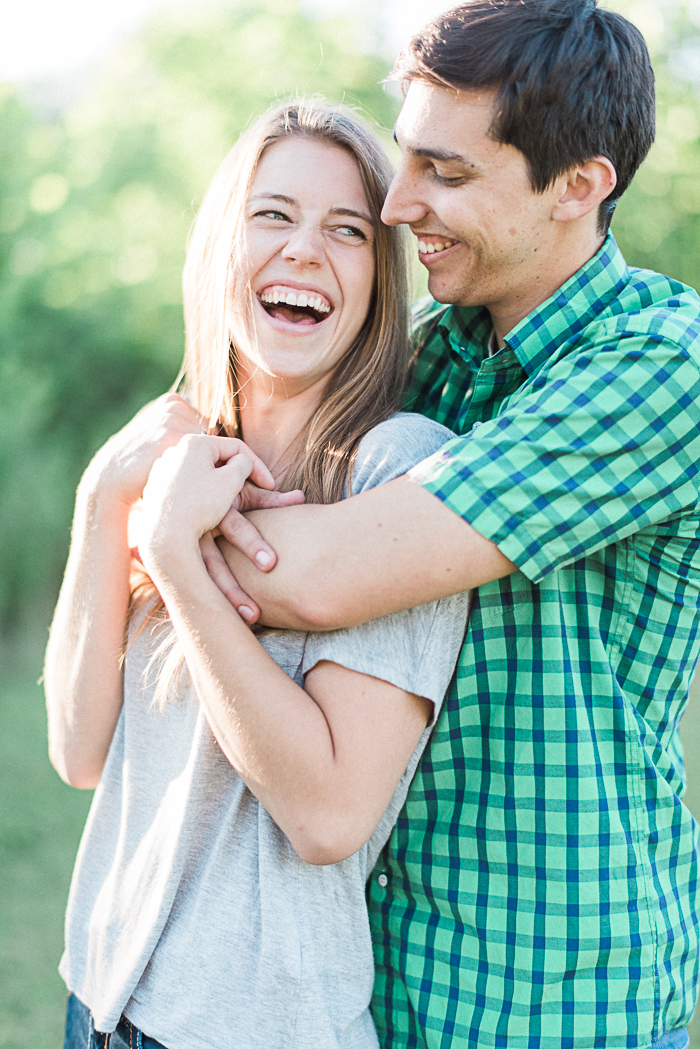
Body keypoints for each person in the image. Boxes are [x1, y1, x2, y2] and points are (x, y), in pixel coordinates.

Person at [203, 3, 700, 1048]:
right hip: (370, 978)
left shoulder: (662, 368)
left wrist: (165, 520)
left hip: (558, 1001)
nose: (395, 205)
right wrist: (166, 442)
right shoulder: (426, 354)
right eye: (405, 161)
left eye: (446, 172)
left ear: (579, 187)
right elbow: (239, 415)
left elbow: (316, 575)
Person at [44, 97, 470, 1049]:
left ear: (377, 280)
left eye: (348, 231)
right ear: (219, 245)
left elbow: (327, 813)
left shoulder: (397, 473)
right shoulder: (174, 461)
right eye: (273, 214)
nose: (305, 251)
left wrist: (176, 567)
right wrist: (104, 499)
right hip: (101, 1000)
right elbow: (77, 752)